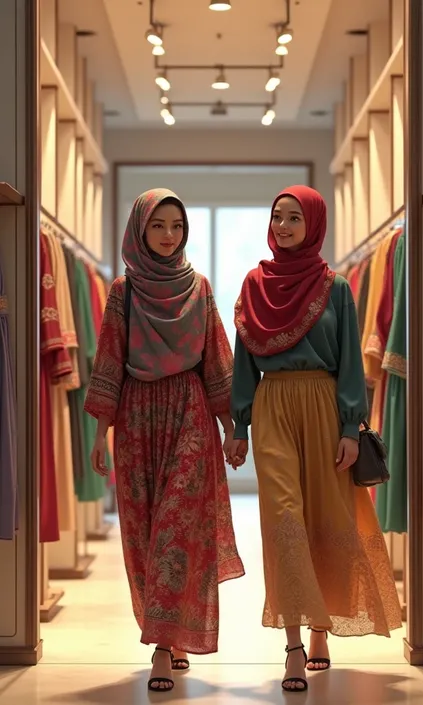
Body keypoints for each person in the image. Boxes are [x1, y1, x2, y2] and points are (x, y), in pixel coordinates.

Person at [229, 185, 402, 693]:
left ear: (313, 225)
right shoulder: (253, 284)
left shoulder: (338, 287)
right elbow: (243, 364)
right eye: (277, 217)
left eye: (293, 218)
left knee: (328, 518)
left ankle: (322, 626)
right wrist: (239, 426)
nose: (283, 226)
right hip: (273, 407)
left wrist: (352, 427)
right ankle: (292, 644)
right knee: (284, 519)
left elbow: (351, 362)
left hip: (326, 408)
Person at [85, 188, 245, 692]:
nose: (169, 235)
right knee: (143, 536)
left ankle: (161, 648)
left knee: (177, 530)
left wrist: (231, 428)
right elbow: (108, 362)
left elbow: (218, 359)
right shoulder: (122, 292)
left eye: (177, 226)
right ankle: (168, 634)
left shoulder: (199, 286)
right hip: (135, 420)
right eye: (159, 226)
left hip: (189, 415)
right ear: (140, 229)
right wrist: (98, 434)